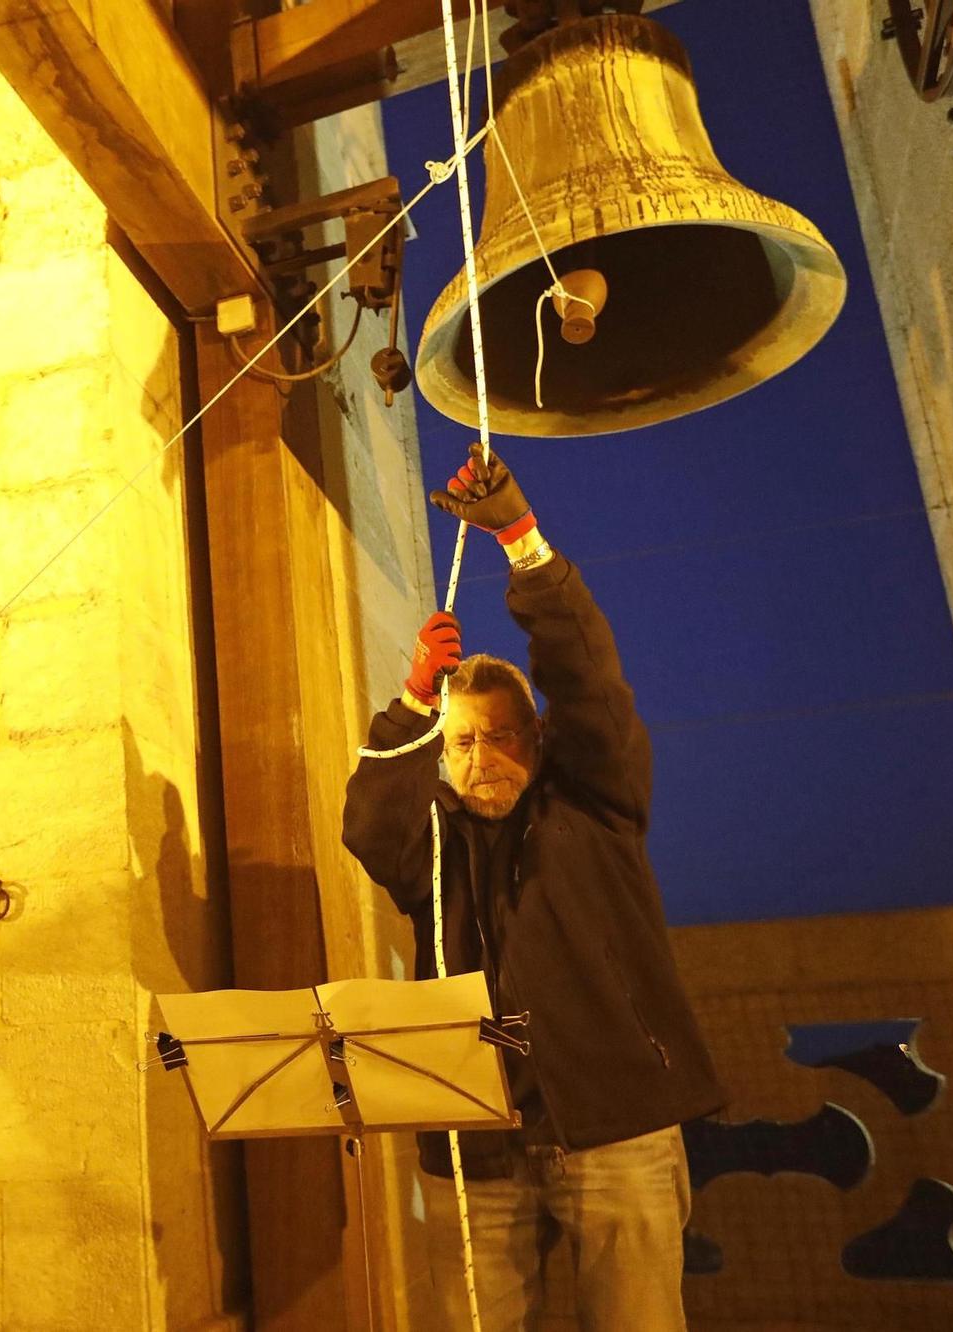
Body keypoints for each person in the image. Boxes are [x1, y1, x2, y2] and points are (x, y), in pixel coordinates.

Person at [342, 443, 725, 1332]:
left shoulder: (595, 806)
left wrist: (521, 540)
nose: (483, 755)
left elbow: (589, 685)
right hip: (474, 1147)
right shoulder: (427, 843)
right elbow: (367, 819)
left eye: (505, 734)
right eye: (464, 740)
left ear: (539, 740)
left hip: (617, 1128)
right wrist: (409, 701)